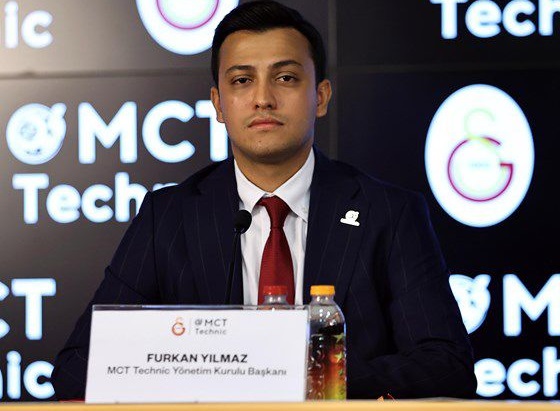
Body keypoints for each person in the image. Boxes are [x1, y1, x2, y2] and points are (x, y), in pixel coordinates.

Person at [52, 0, 476, 400]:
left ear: (321, 96)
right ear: (218, 104)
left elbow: (446, 364)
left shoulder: (390, 213)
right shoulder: (168, 218)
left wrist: (308, 380)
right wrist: (216, 376)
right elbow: (77, 367)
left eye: (286, 77)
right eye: (242, 80)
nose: (263, 98)